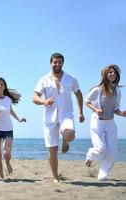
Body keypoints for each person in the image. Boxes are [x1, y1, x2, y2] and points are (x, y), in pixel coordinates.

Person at [33, 53, 85, 182]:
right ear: (50, 63)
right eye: (55, 62)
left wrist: (81, 112)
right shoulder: (44, 79)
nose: (57, 64)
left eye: (60, 62)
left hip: (66, 114)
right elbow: (34, 97)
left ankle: (65, 140)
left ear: (63, 63)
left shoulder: (71, 79)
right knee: (53, 150)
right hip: (49, 117)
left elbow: (79, 94)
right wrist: (44, 102)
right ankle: (56, 177)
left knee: (69, 134)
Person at [85, 65, 126, 181]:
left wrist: (122, 113)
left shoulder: (117, 91)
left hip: (110, 123)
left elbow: (116, 109)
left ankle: (103, 174)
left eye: (114, 73)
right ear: (105, 75)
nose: (112, 74)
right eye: (110, 73)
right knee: (101, 149)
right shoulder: (98, 89)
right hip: (98, 122)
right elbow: (87, 101)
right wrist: (96, 109)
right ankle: (90, 156)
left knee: (112, 152)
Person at [0, 77, 26, 180]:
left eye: (1, 84)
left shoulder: (8, 99)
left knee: (6, 153)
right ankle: (1, 177)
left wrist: (19, 119)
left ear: (4, 87)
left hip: (8, 130)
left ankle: (7, 162)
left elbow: (11, 111)